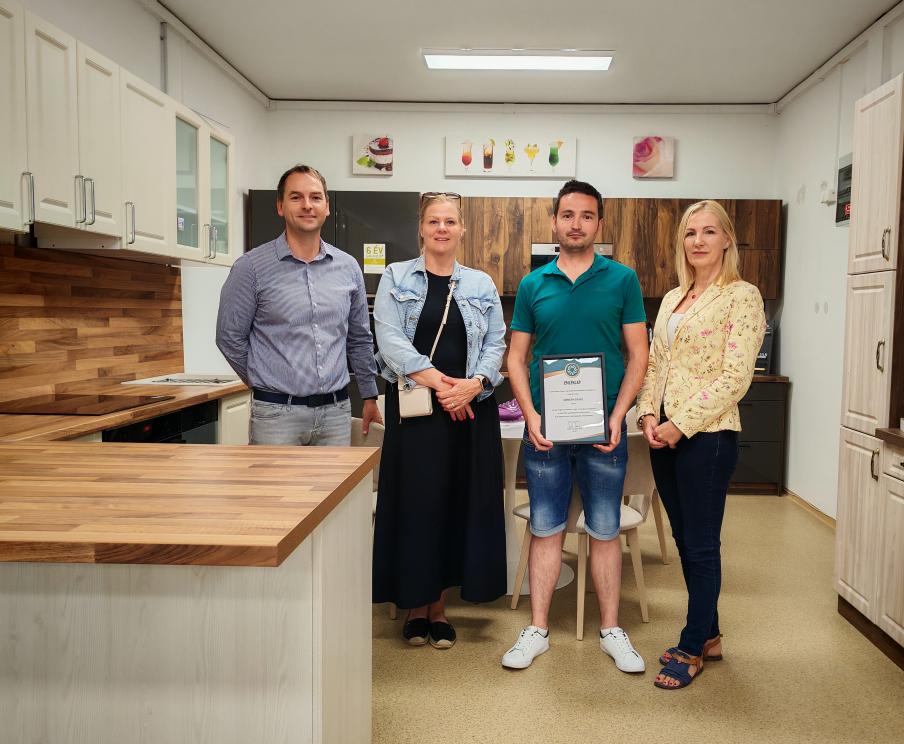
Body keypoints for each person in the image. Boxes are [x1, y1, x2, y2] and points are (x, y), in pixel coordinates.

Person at [501, 180, 650, 673]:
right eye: (568, 215)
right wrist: (530, 415)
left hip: (603, 430)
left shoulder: (622, 280)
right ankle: (537, 630)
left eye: (586, 216)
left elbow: (639, 354)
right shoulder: (533, 285)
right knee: (545, 527)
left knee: (604, 528)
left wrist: (618, 415)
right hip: (545, 430)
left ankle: (611, 630)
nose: (576, 224)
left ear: (599, 224)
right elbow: (516, 358)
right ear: (554, 222)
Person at [636, 200, 766, 690]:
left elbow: (735, 377)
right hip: (663, 434)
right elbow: (654, 364)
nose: (698, 241)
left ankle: (691, 647)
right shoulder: (673, 298)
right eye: (691, 233)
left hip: (707, 437)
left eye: (709, 232)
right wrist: (649, 414)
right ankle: (709, 634)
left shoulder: (742, 296)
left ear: (727, 239)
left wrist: (680, 424)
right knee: (686, 539)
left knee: (702, 543)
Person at [372, 192, 508, 649]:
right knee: (418, 506)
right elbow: (389, 340)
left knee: (456, 505)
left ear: (462, 228)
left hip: (470, 411)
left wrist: (474, 384)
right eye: (434, 221)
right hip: (418, 412)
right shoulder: (395, 277)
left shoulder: (481, 284)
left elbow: (496, 342)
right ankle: (416, 603)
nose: (442, 229)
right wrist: (443, 385)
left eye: (450, 221)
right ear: (421, 228)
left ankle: (439, 608)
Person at [216, 164, 382, 446]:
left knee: (337, 479)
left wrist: (369, 396)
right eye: (296, 197)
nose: (307, 205)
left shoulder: (348, 267)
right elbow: (229, 337)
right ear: (280, 206)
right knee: (275, 480)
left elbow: (359, 338)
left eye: (315, 197)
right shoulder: (250, 268)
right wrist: (264, 379)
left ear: (326, 206)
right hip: (276, 418)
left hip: (336, 414)